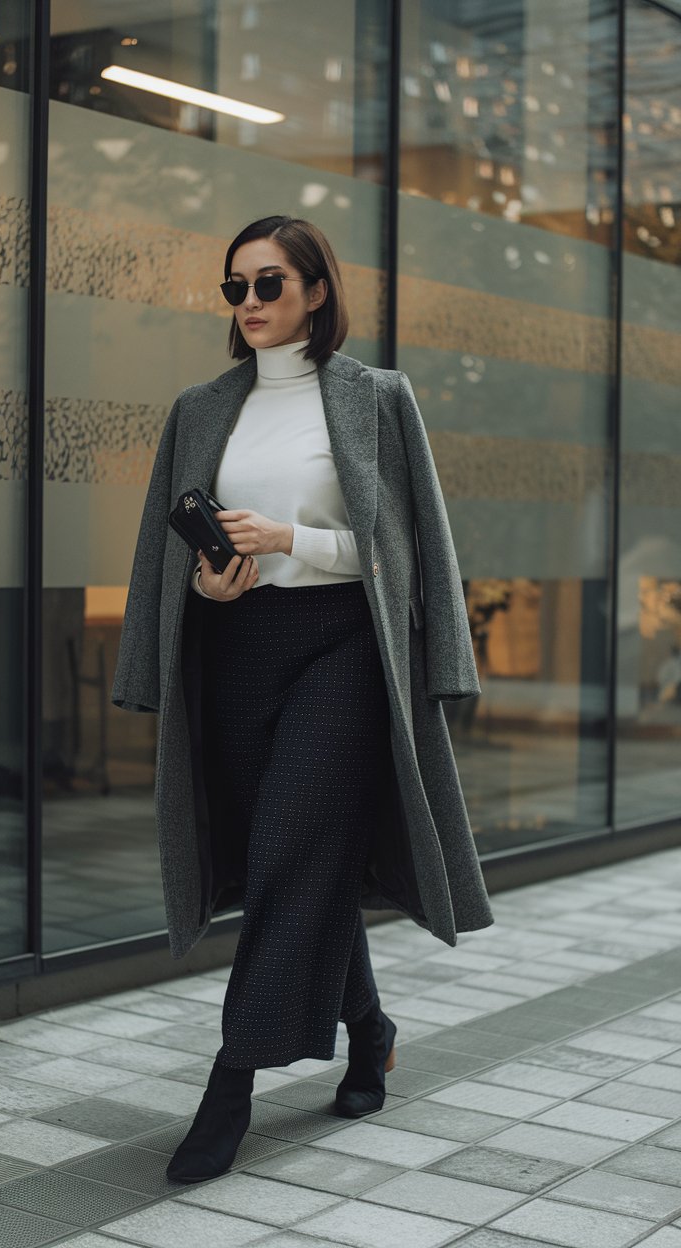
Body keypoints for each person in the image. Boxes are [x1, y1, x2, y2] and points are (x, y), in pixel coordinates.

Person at [111, 214, 494, 1185]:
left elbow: (403, 549)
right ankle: (370, 1031)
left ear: (317, 290)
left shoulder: (376, 398)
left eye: (269, 283)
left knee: (289, 851)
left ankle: (229, 1085)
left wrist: (290, 539)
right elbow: (172, 548)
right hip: (237, 649)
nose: (249, 303)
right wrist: (212, 583)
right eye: (234, 287)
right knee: (291, 859)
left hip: (343, 650)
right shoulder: (202, 407)